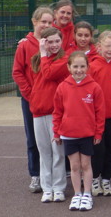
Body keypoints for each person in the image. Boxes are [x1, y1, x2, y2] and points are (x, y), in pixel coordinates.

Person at [53, 51, 105, 211]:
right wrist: (56, 132)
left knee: (86, 164)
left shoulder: (94, 87)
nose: (79, 70)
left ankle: (87, 194)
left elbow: (100, 112)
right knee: (74, 166)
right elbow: (57, 111)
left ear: (88, 67)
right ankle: (77, 194)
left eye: (82, 66)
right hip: (68, 134)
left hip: (87, 134)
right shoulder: (62, 87)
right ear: (69, 67)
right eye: (75, 66)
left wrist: (98, 133)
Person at [12, 6, 54, 193]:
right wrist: (29, 94)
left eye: (49, 22)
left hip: (51, 101)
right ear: (34, 22)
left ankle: (53, 174)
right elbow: (18, 72)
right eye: (43, 21)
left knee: (54, 139)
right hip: (31, 100)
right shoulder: (24, 45)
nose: (46, 25)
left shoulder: (53, 44)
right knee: (33, 139)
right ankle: (35, 175)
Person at [29, 27, 69, 203]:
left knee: (58, 152)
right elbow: (36, 81)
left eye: (57, 41)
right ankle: (47, 187)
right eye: (49, 42)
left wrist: (43, 53)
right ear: (44, 42)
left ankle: (59, 187)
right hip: (39, 111)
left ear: (61, 42)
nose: (53, 45)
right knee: (44, 152)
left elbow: (49, 73)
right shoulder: (38, 59)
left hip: (56, 113)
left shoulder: (65, 59)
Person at [88, 31, 111, 197]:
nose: (110, 49)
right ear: (99, 47)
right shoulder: (93, 66)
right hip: (95, 118)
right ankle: (95, 179)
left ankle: (107, 179)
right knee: (97, 150)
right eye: (107, 46)